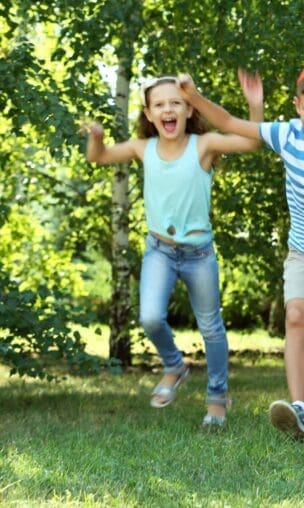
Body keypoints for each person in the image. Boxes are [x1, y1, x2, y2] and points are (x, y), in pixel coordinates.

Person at [179, 61, 304, 440]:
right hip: (303, 252)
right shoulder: (287, 134)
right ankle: (300, 408)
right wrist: (193, 97)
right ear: (295, 106)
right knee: (296, 315)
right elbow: (228, 123)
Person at [85, 73, 263, 429]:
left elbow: (253, 143)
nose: (168, 109)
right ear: (149, 114)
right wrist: (97, 137)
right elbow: (98, 157)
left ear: (187, 109)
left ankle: (217, 398)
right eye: (160, 104)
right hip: (159, 252)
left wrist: (255, 106)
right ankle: (174, 365)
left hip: (199, 254)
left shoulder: (204, 144)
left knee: (211, 328)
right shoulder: (142, 148)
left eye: (176, 102)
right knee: (150, 317)